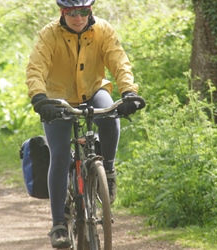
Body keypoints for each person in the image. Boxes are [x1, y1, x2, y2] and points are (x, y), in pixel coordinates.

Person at [25, 0, 139, 248]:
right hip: (57, 98)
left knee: (110, 118)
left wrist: (129, 92)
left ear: (91, 11)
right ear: (62, 12)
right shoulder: (49, 35)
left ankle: (107, 171)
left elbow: (120, 62)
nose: (78, 18)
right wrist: (39, 97)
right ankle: (58, 225)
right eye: (72, 12)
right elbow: (35, 68)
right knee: (60, 154)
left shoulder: (103, 30)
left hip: (93, 90)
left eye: (84, 12)